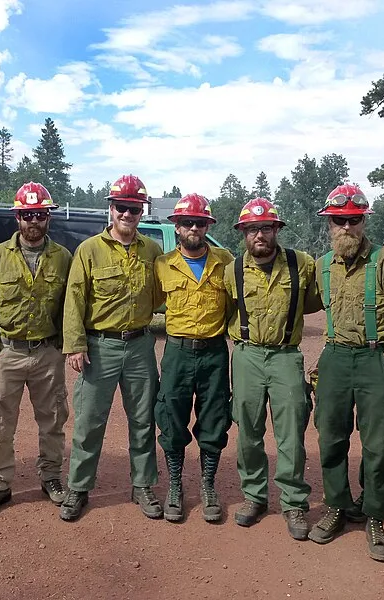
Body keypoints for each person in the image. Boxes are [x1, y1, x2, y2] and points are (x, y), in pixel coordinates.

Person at [310, 183, 384, 562]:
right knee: (331, 437)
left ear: (364, 222)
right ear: (329, 225)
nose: (347, 228)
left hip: (375, 360)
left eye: (354, 220)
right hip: (335, 356)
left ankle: (374, 515)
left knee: (378, 443)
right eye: (339, 221)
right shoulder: (322, 265)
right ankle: (337, 505)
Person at [60, 174, 163, 522]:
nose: (128, 214)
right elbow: (74, 299)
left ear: (141, 211)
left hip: (140, 345)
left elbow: (162, 295)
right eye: (122, 207)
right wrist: (74, 345)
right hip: (99, 346)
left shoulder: (152, 250)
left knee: (143, 418)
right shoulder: (89, 250)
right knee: (89, 421)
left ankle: (143, 484)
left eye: (134, 208)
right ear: (111, 209)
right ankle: (78, 488)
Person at [0, 182, 72, 518]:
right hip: (8, 353)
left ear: (48, 218)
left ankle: (52, 478)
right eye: (27, 214)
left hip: (47, 353)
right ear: (17, 217)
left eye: (39, 214)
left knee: (53, 420)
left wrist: (62, 347)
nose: (33, 221)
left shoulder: (63, 257)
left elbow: (69, 307)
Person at [223, 198, 322, 540]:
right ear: (243, 234)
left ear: (277, 230)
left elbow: (317, 300)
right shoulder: (232, 270)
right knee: (248, 429)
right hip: (247, 354)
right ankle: (254, 496)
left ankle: (293, 501)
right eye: (252, 229)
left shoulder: (302, 264)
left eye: (266, 228)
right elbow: (225, 312)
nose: (260, 235)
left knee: (291, 432)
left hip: (285, 356)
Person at [153, 194, 234, 523]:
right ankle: (175, 484)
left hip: (214, 350)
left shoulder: (226, 261)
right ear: (177, 226)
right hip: (177, 351)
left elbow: (235, 303)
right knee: (171, 414)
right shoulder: (162, 264)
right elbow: (153, 301)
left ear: (208, 226)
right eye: (187, 222)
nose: (194, 228)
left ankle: (208, 485)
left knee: (215, 417)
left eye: (200, 223)